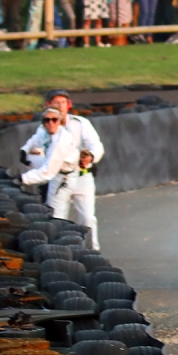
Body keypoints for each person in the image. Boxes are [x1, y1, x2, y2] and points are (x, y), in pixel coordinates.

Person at [21, 90, 105, 249]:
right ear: (48, 106)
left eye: (63, 102)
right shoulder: (45, 127)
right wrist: (28, 153)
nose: (60, 106)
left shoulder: (81, 123)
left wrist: (91, 156)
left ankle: (93, 251)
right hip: (59, 178)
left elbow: (96, 145)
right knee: (57, 217)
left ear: (69, 105)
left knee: (87, 218)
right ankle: (59, 250)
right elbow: (35, 145)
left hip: (82, 176)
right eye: (56, 103)